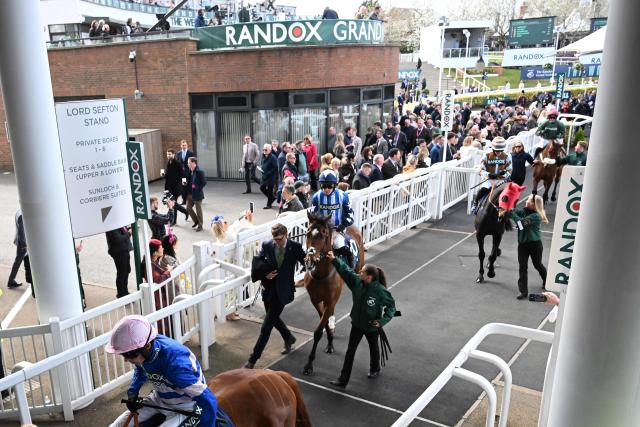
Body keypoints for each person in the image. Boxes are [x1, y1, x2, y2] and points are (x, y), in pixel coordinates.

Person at [105, 315, 229, 427]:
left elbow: (208, 399)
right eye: (123, 355)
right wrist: (133, 392)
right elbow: (140, 369)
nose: (126, 359)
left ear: (147, 346)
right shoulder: (144, 350)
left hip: (186, 407)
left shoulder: (175, 364)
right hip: (158, 398)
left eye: (129, 354)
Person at [326, 251, 396, 388]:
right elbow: (346, 271)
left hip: (371, 326)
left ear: (369, 277)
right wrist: (334, 260)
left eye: (362, 272)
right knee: (350, 351)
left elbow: (391, 307)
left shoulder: (381, 291)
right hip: (357, 324)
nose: (359, 272)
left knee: (374, 349)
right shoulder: (357, 283)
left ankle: (375, 368)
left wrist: (381, 322)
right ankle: (343, 379)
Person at [244, 224, 306, 369]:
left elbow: (306, 262)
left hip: (283, 291)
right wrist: (265, 273)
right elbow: (258, 261)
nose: (276, 242)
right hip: (268, 289)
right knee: (273, 319)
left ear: (286, 234)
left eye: (279, 239)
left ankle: (252, 360)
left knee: (266, 327)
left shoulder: (295, 247)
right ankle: (289, 337)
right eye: (274, 239)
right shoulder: (267, 245)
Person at [310, 170, 355, 266]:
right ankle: (307, 267)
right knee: (308, 247)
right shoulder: (316, 197)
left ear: (335, 185)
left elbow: (350, 215)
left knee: (338, 244)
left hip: (337, 228)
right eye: (323, 186)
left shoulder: (343, 195)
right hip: (321, 230)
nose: (326, 189)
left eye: (329, 186)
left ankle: (351, 264)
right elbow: (313, 216)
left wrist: (343, 225)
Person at [508, 195, 548, 300]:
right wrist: (508, 208)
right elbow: (515, 212)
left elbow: (521, 224)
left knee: (537, 265)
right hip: (523, 245)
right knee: (522, 267)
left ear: (534, 205)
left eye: (529, 200)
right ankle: (523, 292)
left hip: (535, 245)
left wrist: (511, 213)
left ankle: (546, 280)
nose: (526, 201)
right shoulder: (524, 211)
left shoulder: (536, 216)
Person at [471, 137, 512, 214]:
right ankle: (475, 203)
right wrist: (489, 174)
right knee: (483, 189)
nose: (499, 152)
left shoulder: (507, 156)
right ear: (493, 148)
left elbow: (510, 170)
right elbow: (480, 169)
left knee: (509, 193)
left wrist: (504, 174)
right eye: (497, 150)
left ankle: (509, 209)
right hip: (489, 179)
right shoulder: (486, 155)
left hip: (501, 180)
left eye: (501, 151)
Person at [105, 227, 133, 298]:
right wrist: (129, 233)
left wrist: (128, 229)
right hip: (119, 252)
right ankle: (121, 294)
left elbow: (122, 231)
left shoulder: (118, 223)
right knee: (122, 273)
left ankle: (125, 292)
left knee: (126, 271)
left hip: (124, 250)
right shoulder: (111, 226)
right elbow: (118, 239)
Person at [163, 149, 188, 224]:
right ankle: (186, 212)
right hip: (169, 187)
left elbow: (183, 175)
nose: (168, 155)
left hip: (176, 188)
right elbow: (168, 176)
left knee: (173, 204)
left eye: (170, 154)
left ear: (174, 155)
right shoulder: (168, 163)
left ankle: (174, 221)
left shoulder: (178, 163)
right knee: (174, 203)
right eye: (167, 154)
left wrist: (183, 183)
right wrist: (164, 175)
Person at [7, 209, 27, 289]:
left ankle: (11, 281)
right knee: (18, 262)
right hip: (22, 244)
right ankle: (11, 281)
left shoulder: (18, 211)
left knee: (18, 261)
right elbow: (21, 232)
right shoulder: (21, 215)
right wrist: (24, 245)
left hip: (21, 242)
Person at [186, 157, 206, 232]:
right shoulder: (190, 171)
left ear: (194, 163)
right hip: (190, 194)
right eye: (188, 163)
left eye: (189, 163)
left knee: (198, 210)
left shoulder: (199, 171)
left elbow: (204, 182)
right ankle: (196, 221)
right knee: (188, 208)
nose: (188, 164)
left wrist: (197, 187)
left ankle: (200, 225)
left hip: (197, 194)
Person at [259, 144, 278, 209]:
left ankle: (269, 204)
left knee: (270, 191)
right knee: (262, 188)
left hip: (271, 177)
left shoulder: (273, 157)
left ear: (270, 150)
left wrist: (269, 173)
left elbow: (275, 167)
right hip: (264, 175)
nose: (264, 151)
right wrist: (261, 168)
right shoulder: (263, 156)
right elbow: (262, 163)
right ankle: (272, 198)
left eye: (266, 150)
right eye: (263, 149)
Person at [177, 140, 194, 204]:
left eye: (185, 145)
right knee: (183, 187)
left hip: (189, 173)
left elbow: (193, 163)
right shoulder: (179, 153)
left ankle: (192, 200)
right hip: (183, 174)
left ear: (187, 145)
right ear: (181, 146)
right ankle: (184, 200)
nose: (184, 146)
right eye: (182, 145)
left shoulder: (191, 153)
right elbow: (178, 163)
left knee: (190, 186)